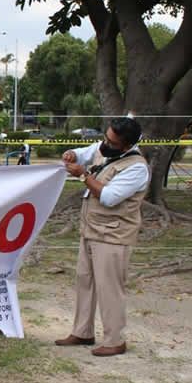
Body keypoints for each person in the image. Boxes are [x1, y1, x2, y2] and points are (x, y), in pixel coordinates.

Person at [56, 117, 149, 357]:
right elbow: (82, 153)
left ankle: (115, 340)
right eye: (105, 137)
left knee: (110, 288)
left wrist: (82, 175)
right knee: (84, 281)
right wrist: (70, 154)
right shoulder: (105, 148)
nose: (104, 144)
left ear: (126, 146)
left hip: (113, 236)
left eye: (111, 141)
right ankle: (82, 331)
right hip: (90, 230)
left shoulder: (137, 168)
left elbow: (108, 197)